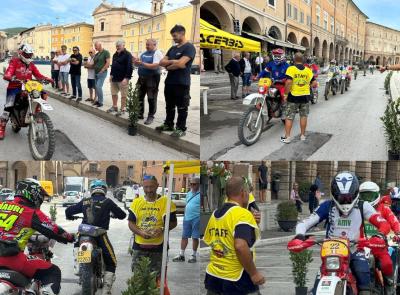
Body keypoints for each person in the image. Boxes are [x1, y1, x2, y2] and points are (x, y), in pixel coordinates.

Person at [289, 172, 390, 295]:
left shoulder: (364, 206)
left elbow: (383, 223)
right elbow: (305, 223)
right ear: (334, 194)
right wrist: (299, 236)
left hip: (356, 249)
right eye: (341, 197)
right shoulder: (327, 206)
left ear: (355, 193)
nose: (345, 200)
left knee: (362, 274)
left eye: (348, 197)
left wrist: (379, 235)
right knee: (316, 287)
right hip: (331, 253)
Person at [0, 178, 75, 295]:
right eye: (40, 194)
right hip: (11, 259)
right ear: (34, 193)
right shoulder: (30, 212)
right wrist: (71, 238)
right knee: (53, 272)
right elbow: (55, 230)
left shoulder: (1, 204)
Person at [204, 176, 264, 295]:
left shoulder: (215, 213)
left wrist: (252, 223)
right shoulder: (242, 214)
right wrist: (254, 273)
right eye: (248, 192)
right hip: (237, 279)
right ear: (243, 192)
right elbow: (240, 246)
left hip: (214, 276)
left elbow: (212, 240)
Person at [65, 179, 127, 295]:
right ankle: (106, 291)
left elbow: (68, 210)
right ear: (104, 189)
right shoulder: (108, 202)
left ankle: (78, 265)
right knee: (111, 261)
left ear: (92, 190)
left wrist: (70, 217)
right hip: (100, 235)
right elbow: (122, 215)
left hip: (84, 234)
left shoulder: (85, 201)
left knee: (77, 245)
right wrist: (114, 215)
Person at [128, 175, 177, 284]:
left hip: (159, 248)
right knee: (138, 279)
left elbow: (173, 223)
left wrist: (162, 229)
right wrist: (141, 232)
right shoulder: (136, 202)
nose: (149, 190)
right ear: (142, 187)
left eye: (151, 187)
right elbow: (131, 223)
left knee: (156, 280)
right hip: (139, 247)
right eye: (146, 187)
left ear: (157, 186)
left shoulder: (166, 202)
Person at [0, 44, 53, 139]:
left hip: (28, 87)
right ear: (21, 53)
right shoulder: (14, 61)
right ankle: (2, 127)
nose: (28, 56)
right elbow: (9, 72)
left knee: (41, 94)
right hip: (14, 87)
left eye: (30, 54)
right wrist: (9, 76)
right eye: (27, 54)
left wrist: (46, 78)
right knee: (8, 106)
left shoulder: (31, 65)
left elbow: (38, 75)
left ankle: (37, 115)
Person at [358, 181, 400, 292]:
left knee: (387, 263)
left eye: (370, 196)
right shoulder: (357, 209)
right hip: (361, 245)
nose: (367, 199)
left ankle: (389, 285)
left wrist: (398, 233)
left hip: (380, 245)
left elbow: (395, 222)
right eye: (364, 196)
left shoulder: (384, 209)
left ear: (377, 195)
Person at [157, 25, 196, 137]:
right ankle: (168, 125)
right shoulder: (172, 48)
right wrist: (175, 63)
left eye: (174, 36)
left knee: (182, 107)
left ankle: (180, 128)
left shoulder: (189, 47)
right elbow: (161, 62)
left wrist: (173, 63)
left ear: (182, 33)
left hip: (182, 83)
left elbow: (180, 64)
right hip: (169, 82)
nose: (173, 38)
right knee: (169, 106)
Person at [281, 52, 316, 144]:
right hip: (305, 97)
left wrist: (285, 94)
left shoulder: (291, 69)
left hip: (293, 97)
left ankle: (287, 137)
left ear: (294, 59)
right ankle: (302, 135)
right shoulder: (308, 70)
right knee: (303, 116)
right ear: (303, 60)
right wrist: (307, 87)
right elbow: (314, 83)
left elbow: (288, 83)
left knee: (289, 117)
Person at [134, 38, 163, 124]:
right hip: (141, 77)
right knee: (139, 96)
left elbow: (155, 66)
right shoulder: (143, 53)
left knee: (151, 98)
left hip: (152, 78)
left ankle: (151, 116)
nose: (146, 46)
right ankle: (140, 113)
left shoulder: (157, 53)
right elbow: (137, 64)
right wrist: (135, 62)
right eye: (146, 44)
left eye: (148, 45)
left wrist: (142, 63)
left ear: (154, 45)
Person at [172, 177, 200, 263]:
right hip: (187, 218)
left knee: (195, 237)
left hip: (197, 218)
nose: (192, 186)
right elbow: (187, 205)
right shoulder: (188, 193)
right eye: (191, 184)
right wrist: (184, 216)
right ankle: (181, 255)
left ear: (198, 184)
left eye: (194, 184)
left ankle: (193, 255)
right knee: (184, 236)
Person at [108, 40, 133, 116]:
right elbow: (113, 66)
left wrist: (126, 78)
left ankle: (122, 109)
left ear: (123, 45)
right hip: (114, 78)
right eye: (116, 46)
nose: (117, 47)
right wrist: (111, 75)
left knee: (123, 95)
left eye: (119, 46)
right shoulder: (115, 55)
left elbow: (129, 67)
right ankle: (115, 106)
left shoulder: (128, 54)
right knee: (113, 93)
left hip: (123, 79)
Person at [92, 41, 111, 107]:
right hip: (96, 73)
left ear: (100, 45)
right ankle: (98, 100)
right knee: (96, 87)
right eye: (95, 46)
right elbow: (94, 64)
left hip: (102, 73)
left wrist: (102, 70)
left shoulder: (106, 52)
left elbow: (108, 63)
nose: (95, 47)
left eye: (96, 46)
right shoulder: (97, 54)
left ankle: (101, 102)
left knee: (98, 86)